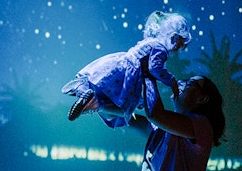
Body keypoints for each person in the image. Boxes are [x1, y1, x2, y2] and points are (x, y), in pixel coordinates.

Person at [61, 11, 190, 128]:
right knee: (125, 108)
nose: (180, 49)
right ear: (174, 37)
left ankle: (82, 90)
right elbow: (155, 68)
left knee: (100, 85)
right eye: (181, 44)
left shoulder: (151, 42)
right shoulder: (161, 49)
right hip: (132, 74)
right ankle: (96, 104)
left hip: (120, 63)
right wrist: (171, 81)